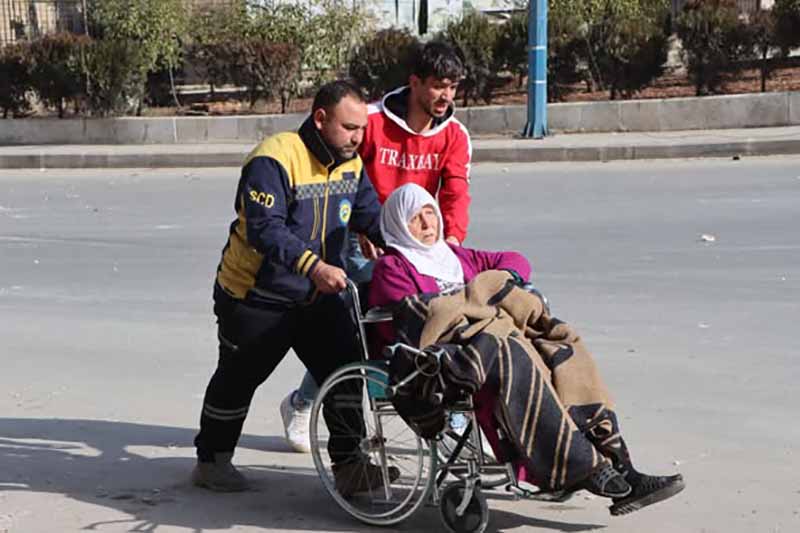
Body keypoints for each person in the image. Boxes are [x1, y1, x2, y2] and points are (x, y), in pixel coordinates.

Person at [368, 183, 685, 516]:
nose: (427, 224)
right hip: (450, 359)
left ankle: (622, 467)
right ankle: (583, 468)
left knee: (561, 349)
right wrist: (478, 299)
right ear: (399, 225)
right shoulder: (393, 267)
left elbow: (514, 261)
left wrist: (492, 287)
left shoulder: (456, 256)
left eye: (430, 213)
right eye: (415, 218)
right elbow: (420, 318)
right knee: (513, 354)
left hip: (494, 338)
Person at [192, 80, 395, 495]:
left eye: (361, 129)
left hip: (318, 296)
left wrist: (411, 246)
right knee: (238, 379)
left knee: (344, 374)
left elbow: (371, 216)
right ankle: (212, 461)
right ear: (320, 119)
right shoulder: (274, 159)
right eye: (349, 127)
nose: (357, 137)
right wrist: (314, 266)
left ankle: (351, 466)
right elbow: (266, 230)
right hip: (256, 295)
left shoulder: (351, 163)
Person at [280, 40, 473, 452]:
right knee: (358, 331)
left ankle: (453, 418)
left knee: (436, 323)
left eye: (453, 87)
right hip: (362, 242)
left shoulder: (455, 135)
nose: (446, 96)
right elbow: (341, 170)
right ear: (415, 82)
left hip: (418, 244)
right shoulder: (370, 120)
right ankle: (303, 402)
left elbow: (455, 193)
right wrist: (363, 229)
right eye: (438, 85)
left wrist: (451, 243)